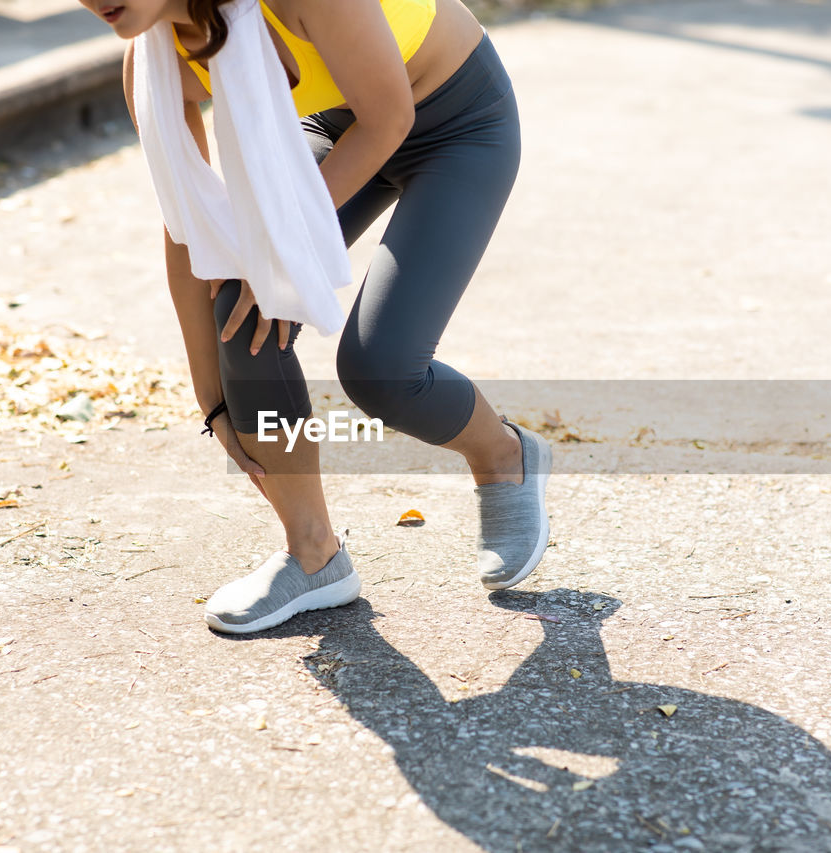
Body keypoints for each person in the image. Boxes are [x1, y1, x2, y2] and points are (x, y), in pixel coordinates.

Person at [80, 0, 551, 633]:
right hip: (337, 123)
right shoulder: (153, 57)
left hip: (456, 124)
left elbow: (389, 117)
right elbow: (188, 220)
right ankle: (314, 555)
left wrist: (279, 250)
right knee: (242, 313)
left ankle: (504, 457)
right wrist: (211, 397)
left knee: (381, 371)